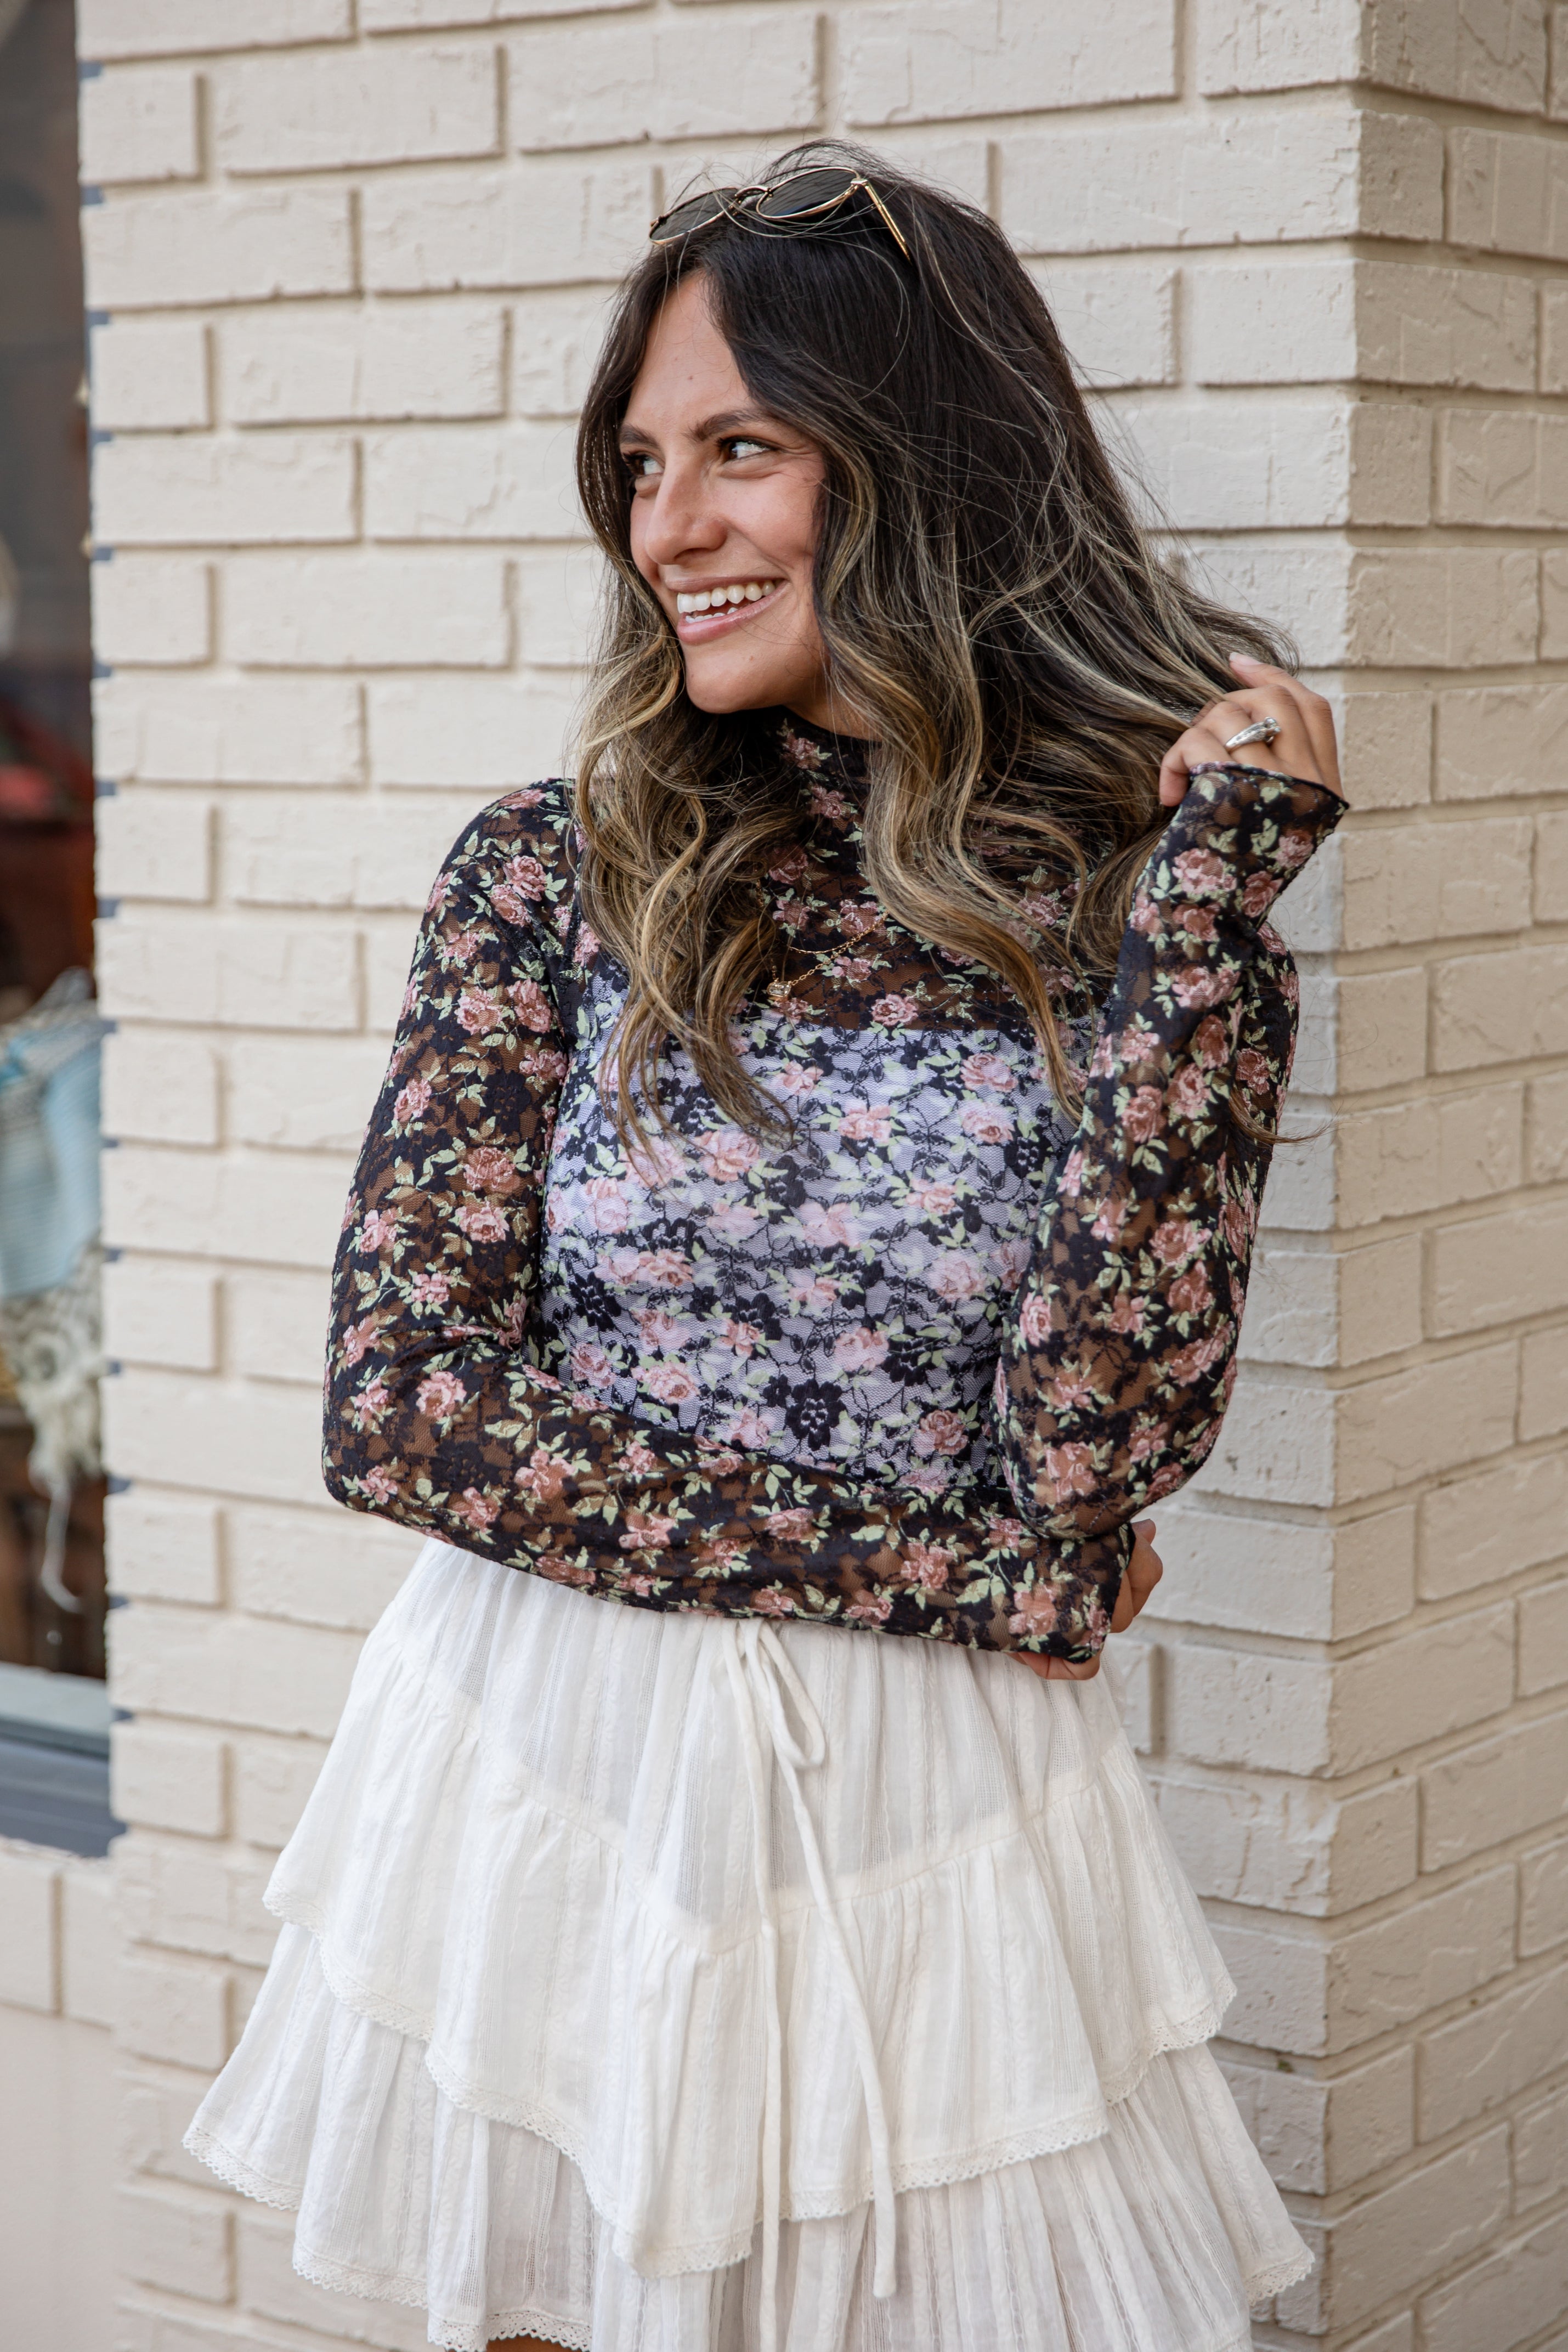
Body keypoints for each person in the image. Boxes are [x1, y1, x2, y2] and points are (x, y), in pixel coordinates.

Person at [185, 145, 1345, 2352]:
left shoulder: (1133, 904)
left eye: (740, 450)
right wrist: (966, 1577)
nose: (668, 530)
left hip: (932, 1801)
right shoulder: (554, 871)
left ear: (923, 468)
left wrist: (1208, 913)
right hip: (555, 1744)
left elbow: (1090, 1456)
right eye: (642, 466)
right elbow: (407, 1412)